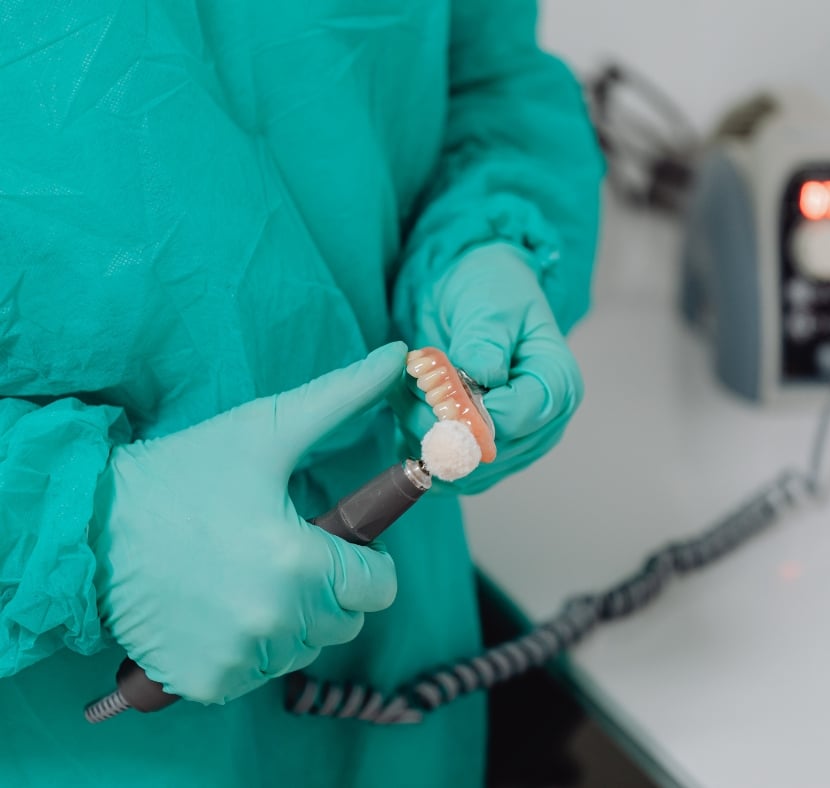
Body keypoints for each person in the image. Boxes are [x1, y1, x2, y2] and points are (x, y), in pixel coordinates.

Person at [0, 1, 603, 785]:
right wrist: (81, 526)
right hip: (68, 705)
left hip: (395, 639)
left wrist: (481, 243)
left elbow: (483, 72)